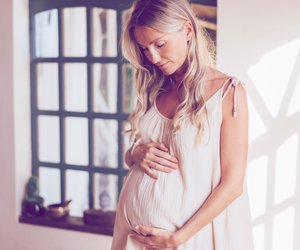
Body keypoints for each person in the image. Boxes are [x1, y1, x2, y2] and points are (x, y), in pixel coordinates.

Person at [111, 0, 253, 249]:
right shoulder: (155, 88)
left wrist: (178, 238)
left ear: (187, 30)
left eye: (160, 44)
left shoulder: (228, 93)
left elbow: (233, 185)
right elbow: (139, 155)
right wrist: (134, 153)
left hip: (185, 240)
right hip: (133, 238)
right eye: (144, 49)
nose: (152, 57)